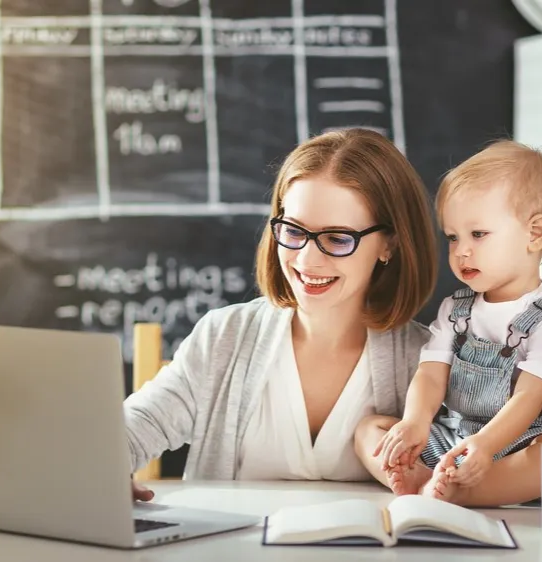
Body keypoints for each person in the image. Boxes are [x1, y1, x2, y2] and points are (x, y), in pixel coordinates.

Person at [124, 128, 439, 501]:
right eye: (293, 230)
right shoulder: (225, 336)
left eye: (337, 239)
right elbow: (137, 425)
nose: (306, 259)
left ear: (390, 244)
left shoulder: (429, 362)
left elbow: (463, 477)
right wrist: (104, 467)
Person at [354, 139, 542, 507]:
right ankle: (424, 477)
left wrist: (486, 446)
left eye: (478, 234)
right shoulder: (455, 310)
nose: (461, 251)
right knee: (370, 429)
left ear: (534, 234)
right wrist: (415, 422)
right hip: (456, 440)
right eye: (452, 237)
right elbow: (431, 374)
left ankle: (460, 491)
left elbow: (527, 399)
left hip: (520, 448)